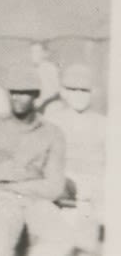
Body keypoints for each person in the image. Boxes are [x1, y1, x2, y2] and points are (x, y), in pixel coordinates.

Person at [0, 64, 70, 256]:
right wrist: (10, 172)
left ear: (36, 95)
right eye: (13, 92)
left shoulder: (52, 133)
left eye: (24, 93)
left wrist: (14, 186)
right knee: (3, 227)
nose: (16, 98)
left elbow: (55, 186)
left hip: (35, 198)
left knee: (59, 237)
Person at [45, 63, 105, 254]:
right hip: (62, 188)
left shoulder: (104, 124)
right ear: (63, 92)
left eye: (84, 90)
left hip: (94, 192)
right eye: (73, 89)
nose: (79, 94)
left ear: (92, 92)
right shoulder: (53, 121)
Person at [29, 41, 60, 111]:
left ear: (44, 54)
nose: (33, 55)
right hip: (38, 103)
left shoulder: (49, 68)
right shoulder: (34, 68)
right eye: (32, 52)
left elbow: (55, 90)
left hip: (48, 103)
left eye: (37, 52)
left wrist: (41, 101)